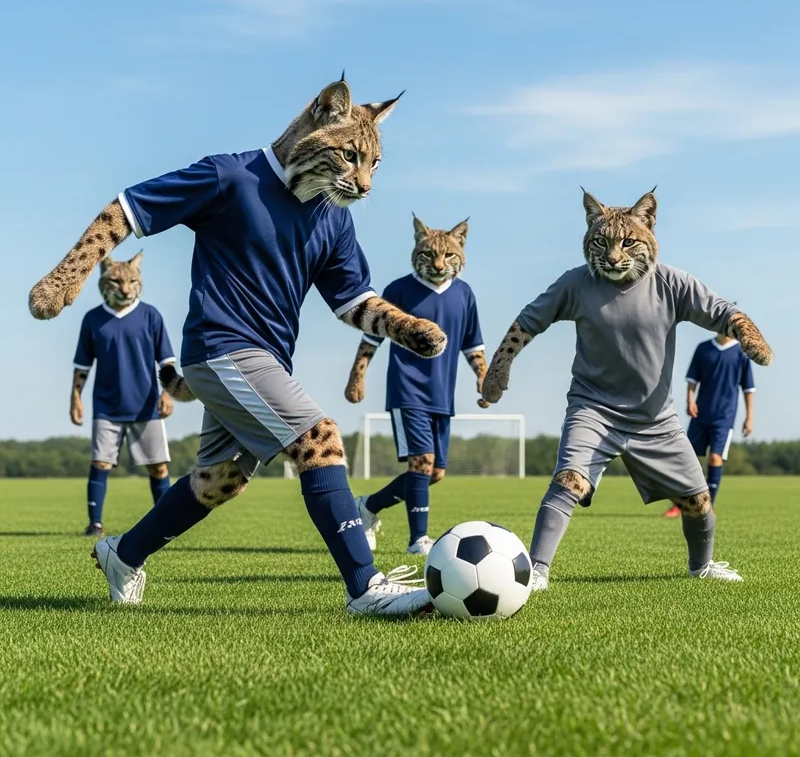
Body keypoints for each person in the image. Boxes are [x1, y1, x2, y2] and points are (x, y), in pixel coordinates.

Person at [28, 76, 446, 615]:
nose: (363, 182)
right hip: (220, 344)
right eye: (350, 158)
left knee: (220, 480)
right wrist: (68, 277)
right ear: (322, 117)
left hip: (265, 359)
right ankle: (365, 587)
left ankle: (123, 554)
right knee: (320, 437)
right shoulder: (230, 176)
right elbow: (125, 212)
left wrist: (406, 327)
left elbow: (353, 301)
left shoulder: (333, 218)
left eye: (373, 165)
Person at [481, 188, 773, 589]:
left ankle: (701, 567)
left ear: (649, 225)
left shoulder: (671, 282)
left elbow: (724, 311)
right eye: (602, 243)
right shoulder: (576, 283)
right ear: (589, 236)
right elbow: (528, 321)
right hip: (593, 408)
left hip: (655, 417)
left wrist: (750, 337)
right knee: (568, 480)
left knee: (698, 501)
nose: (614, 255)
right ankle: (537, 571)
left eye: (627, 243)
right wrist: (498, 369)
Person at [344, 214, 486, 556]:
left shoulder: (464, 294)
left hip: (442, 395)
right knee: (421, 462)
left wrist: (484, 378)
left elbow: (473, 345)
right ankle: (418, 540)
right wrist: (357, 376)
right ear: (417, 252)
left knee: (434, 473)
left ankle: (367, 507)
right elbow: (370, 339)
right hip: (408, 391)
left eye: (448, 255)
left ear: (461, 250)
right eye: (429, 255)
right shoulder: (399, 290)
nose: (438, 262)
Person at [71, 252, 175, 537]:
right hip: (106, 406)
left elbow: (166, 361)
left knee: (158, 468)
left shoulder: (151, 315)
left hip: (146, 406)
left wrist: (168, 393)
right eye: (116, 282)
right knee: (100, 463)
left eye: (130, 281)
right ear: (105, 281)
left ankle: (165, 524)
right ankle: (95, 524)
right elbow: (82, 365)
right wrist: (76, 397)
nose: (125, 288)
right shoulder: (92, 319)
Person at [663, 333, 755, 518]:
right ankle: (679, 505)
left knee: (715, 458)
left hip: (724, 417)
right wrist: (690, 401)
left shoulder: (741, 353)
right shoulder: (703, 348)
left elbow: (748, 388)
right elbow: (692, 379)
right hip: (701, 414)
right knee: (688, 460)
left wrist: (749, 417)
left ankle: (706, 506)